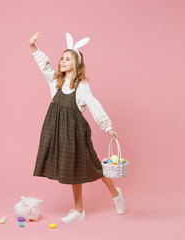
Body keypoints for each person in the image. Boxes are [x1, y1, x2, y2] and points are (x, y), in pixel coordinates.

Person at [29, 31, 126, 223]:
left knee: (96, 167)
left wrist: (107, 126)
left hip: (76, 132)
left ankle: (116, 194)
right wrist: (33, 48)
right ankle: (79, 211)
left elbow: (93, 104)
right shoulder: (56, 81)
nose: (62, 61)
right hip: (59, 131)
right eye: (61, 58)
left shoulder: (81, 86)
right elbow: (45, 66)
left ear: (76, 63)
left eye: (67, 58)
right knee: (72, 170)